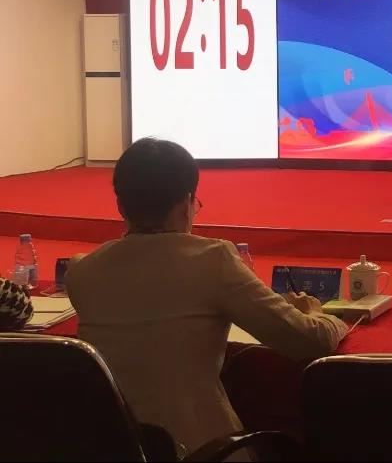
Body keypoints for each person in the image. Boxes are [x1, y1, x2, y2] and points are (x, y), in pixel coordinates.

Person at [66, 138, 349, 455]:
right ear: (186, 203)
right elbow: (309, 341)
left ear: (120, 205)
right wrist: (321, 314)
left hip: (109, 448)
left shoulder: (82, 272)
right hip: (200, 449)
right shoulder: (213, 260)